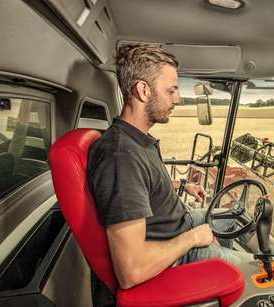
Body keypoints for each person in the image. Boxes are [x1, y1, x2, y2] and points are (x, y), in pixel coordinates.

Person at [87, 44, 254, 289]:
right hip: (177, 252)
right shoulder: (120, 155)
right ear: (143, 90)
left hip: (179, 225)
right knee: (261, 271)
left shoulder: (135, 140)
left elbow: (143, 186)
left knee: (235, 217)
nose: (178, 98)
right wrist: (193, 239)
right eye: (172, 90)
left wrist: (181, 184)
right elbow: (131, 270)